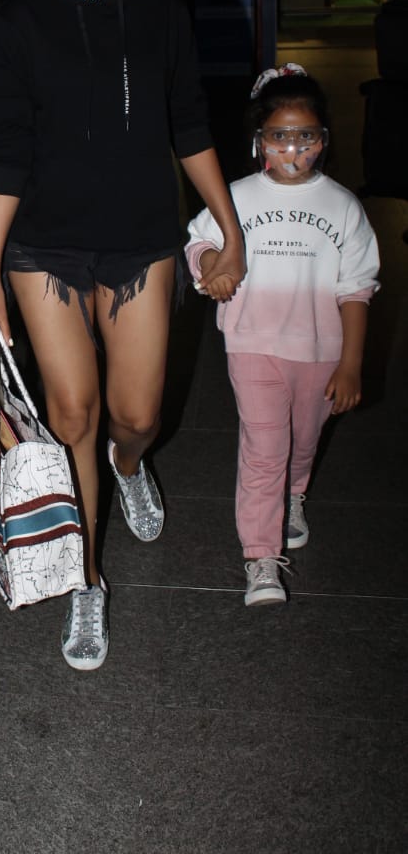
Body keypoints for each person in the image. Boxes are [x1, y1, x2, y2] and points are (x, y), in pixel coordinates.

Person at [0, 0, 246, 671]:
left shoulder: (161, 12)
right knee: (73, 416)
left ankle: (129, 467)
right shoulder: (20, 19)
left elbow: (188, 123)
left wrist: (228, 231)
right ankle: (85, 579)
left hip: (137, 237)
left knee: (135, 416)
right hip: (43, 244)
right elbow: (6, 154)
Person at [184, 64, 380, 607]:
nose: (292, 148)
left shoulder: (343, 206)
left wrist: (351, 364)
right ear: (258, 141)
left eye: (305, 136)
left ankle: (293, 495)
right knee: (264, 449)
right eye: (279, 136)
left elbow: (357, 290)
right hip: (252, 344)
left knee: (304, 440)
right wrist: (210, 265)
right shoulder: (236, 197)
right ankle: (261, 557)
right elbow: (199, 240)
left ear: (324, 139)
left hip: (320, 351)